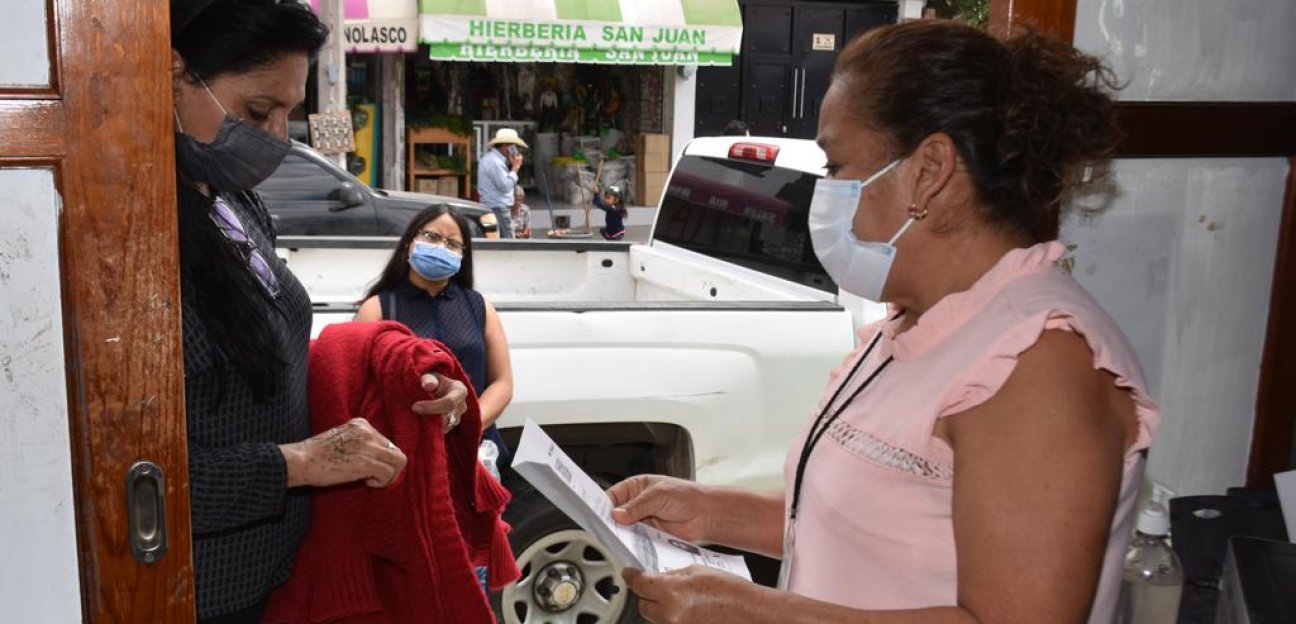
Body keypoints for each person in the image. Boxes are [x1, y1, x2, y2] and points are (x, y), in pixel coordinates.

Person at [607, 20, 1159, 624]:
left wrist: (752, 612)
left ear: (928, 170)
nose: (820, 191)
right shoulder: (919, 321)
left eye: (836, 165)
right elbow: (874, 526)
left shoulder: (1038, 365)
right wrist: (712, 512)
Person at [170, 2, 467, 622]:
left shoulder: (233, 201)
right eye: (259, 111)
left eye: (289, 112)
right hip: (201, 595)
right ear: (175, 75)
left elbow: (271, 354)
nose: (279, 136)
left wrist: (397, 376)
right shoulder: (131, 237)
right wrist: (300, 463)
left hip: (279, 572)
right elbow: (131, 479)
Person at [354, 204, 515, 465]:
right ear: (409, 242)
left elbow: (502, 383)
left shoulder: (479, 307)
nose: (441, 247)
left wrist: (468, 423)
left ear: (463, 256)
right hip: (406, 454)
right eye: (431, 236)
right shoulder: (378, 308)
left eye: (452, 244)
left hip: (475, 451)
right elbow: (360, 388)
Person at [478, 128, 527, 239]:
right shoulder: (495, 162)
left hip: (493, 206)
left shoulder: (492, 159)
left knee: (497, 239)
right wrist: (515, 167)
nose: (516, 150)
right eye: (514, 146)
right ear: (506, 145)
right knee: (509, 241)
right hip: (498, 207)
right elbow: (505, 186)